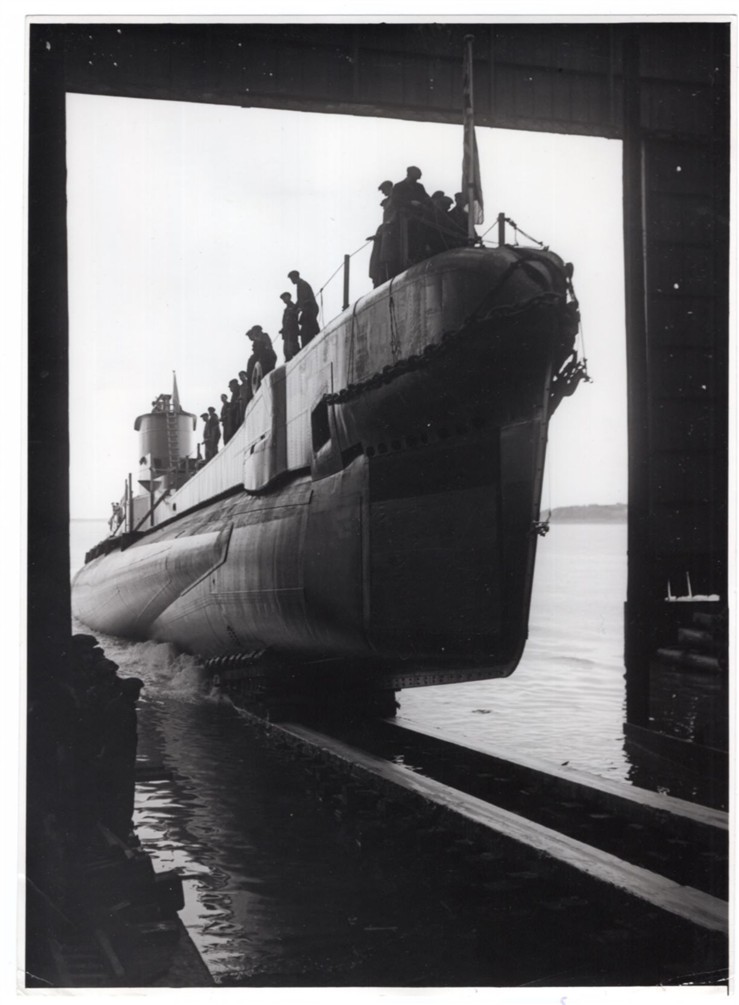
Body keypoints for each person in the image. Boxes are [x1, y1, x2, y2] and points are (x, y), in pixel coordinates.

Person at [391, 166, 432, 264]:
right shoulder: (398, 186)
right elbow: (395, 202)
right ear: (409, 175)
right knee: (409, 241)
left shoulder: (419, 187)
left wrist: (428, 202)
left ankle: (419, 256)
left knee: (420, 239)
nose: (417, 179)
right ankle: (409, 259)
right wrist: (410, 203)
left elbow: (426, 198)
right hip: (405, 221)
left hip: (419, 219)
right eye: (416, 177)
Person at [287, 271, 320, 347]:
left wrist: (298, 309)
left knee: (307, 331)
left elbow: (304, 299)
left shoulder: (303, 284)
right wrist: (294, 308)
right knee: (307, 330)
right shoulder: (300, 285)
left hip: (310, 309)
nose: (291, 281)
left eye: (292, 279)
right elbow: (300, 300)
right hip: (307, 310)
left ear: (295, 277)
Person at [245, 325, 277, 392]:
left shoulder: (264, 336)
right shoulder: (256, 340)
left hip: (267, 358)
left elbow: (268, 347)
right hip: (262, 359)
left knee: (266, 372)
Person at [279, 292, 301, 361]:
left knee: (293, 349)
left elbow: (296, 314)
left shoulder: (293, 306)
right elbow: (285, 321)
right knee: (286, 350)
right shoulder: (286, 309)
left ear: (289, 297)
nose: (284, 300)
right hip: (287, 333)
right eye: (283, 299)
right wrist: (283, 329)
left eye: (285, 298)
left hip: (292, 331)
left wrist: (293, 312)